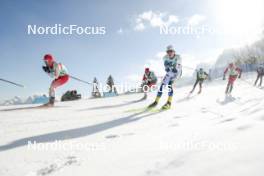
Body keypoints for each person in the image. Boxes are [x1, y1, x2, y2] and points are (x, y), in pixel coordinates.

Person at [148, 45, 182, 110]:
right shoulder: (165, 58)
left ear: (174, 52)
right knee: (162, 86)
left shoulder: (178, 57)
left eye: (171, 51)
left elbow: (179, 67)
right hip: (170, 72)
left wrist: (176, 67)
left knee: (169, 85)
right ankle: (156, 102)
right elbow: (166, 66)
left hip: (177, 73)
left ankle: (169, 102)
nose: (169, 53)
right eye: (168, 52)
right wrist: (167, 68)